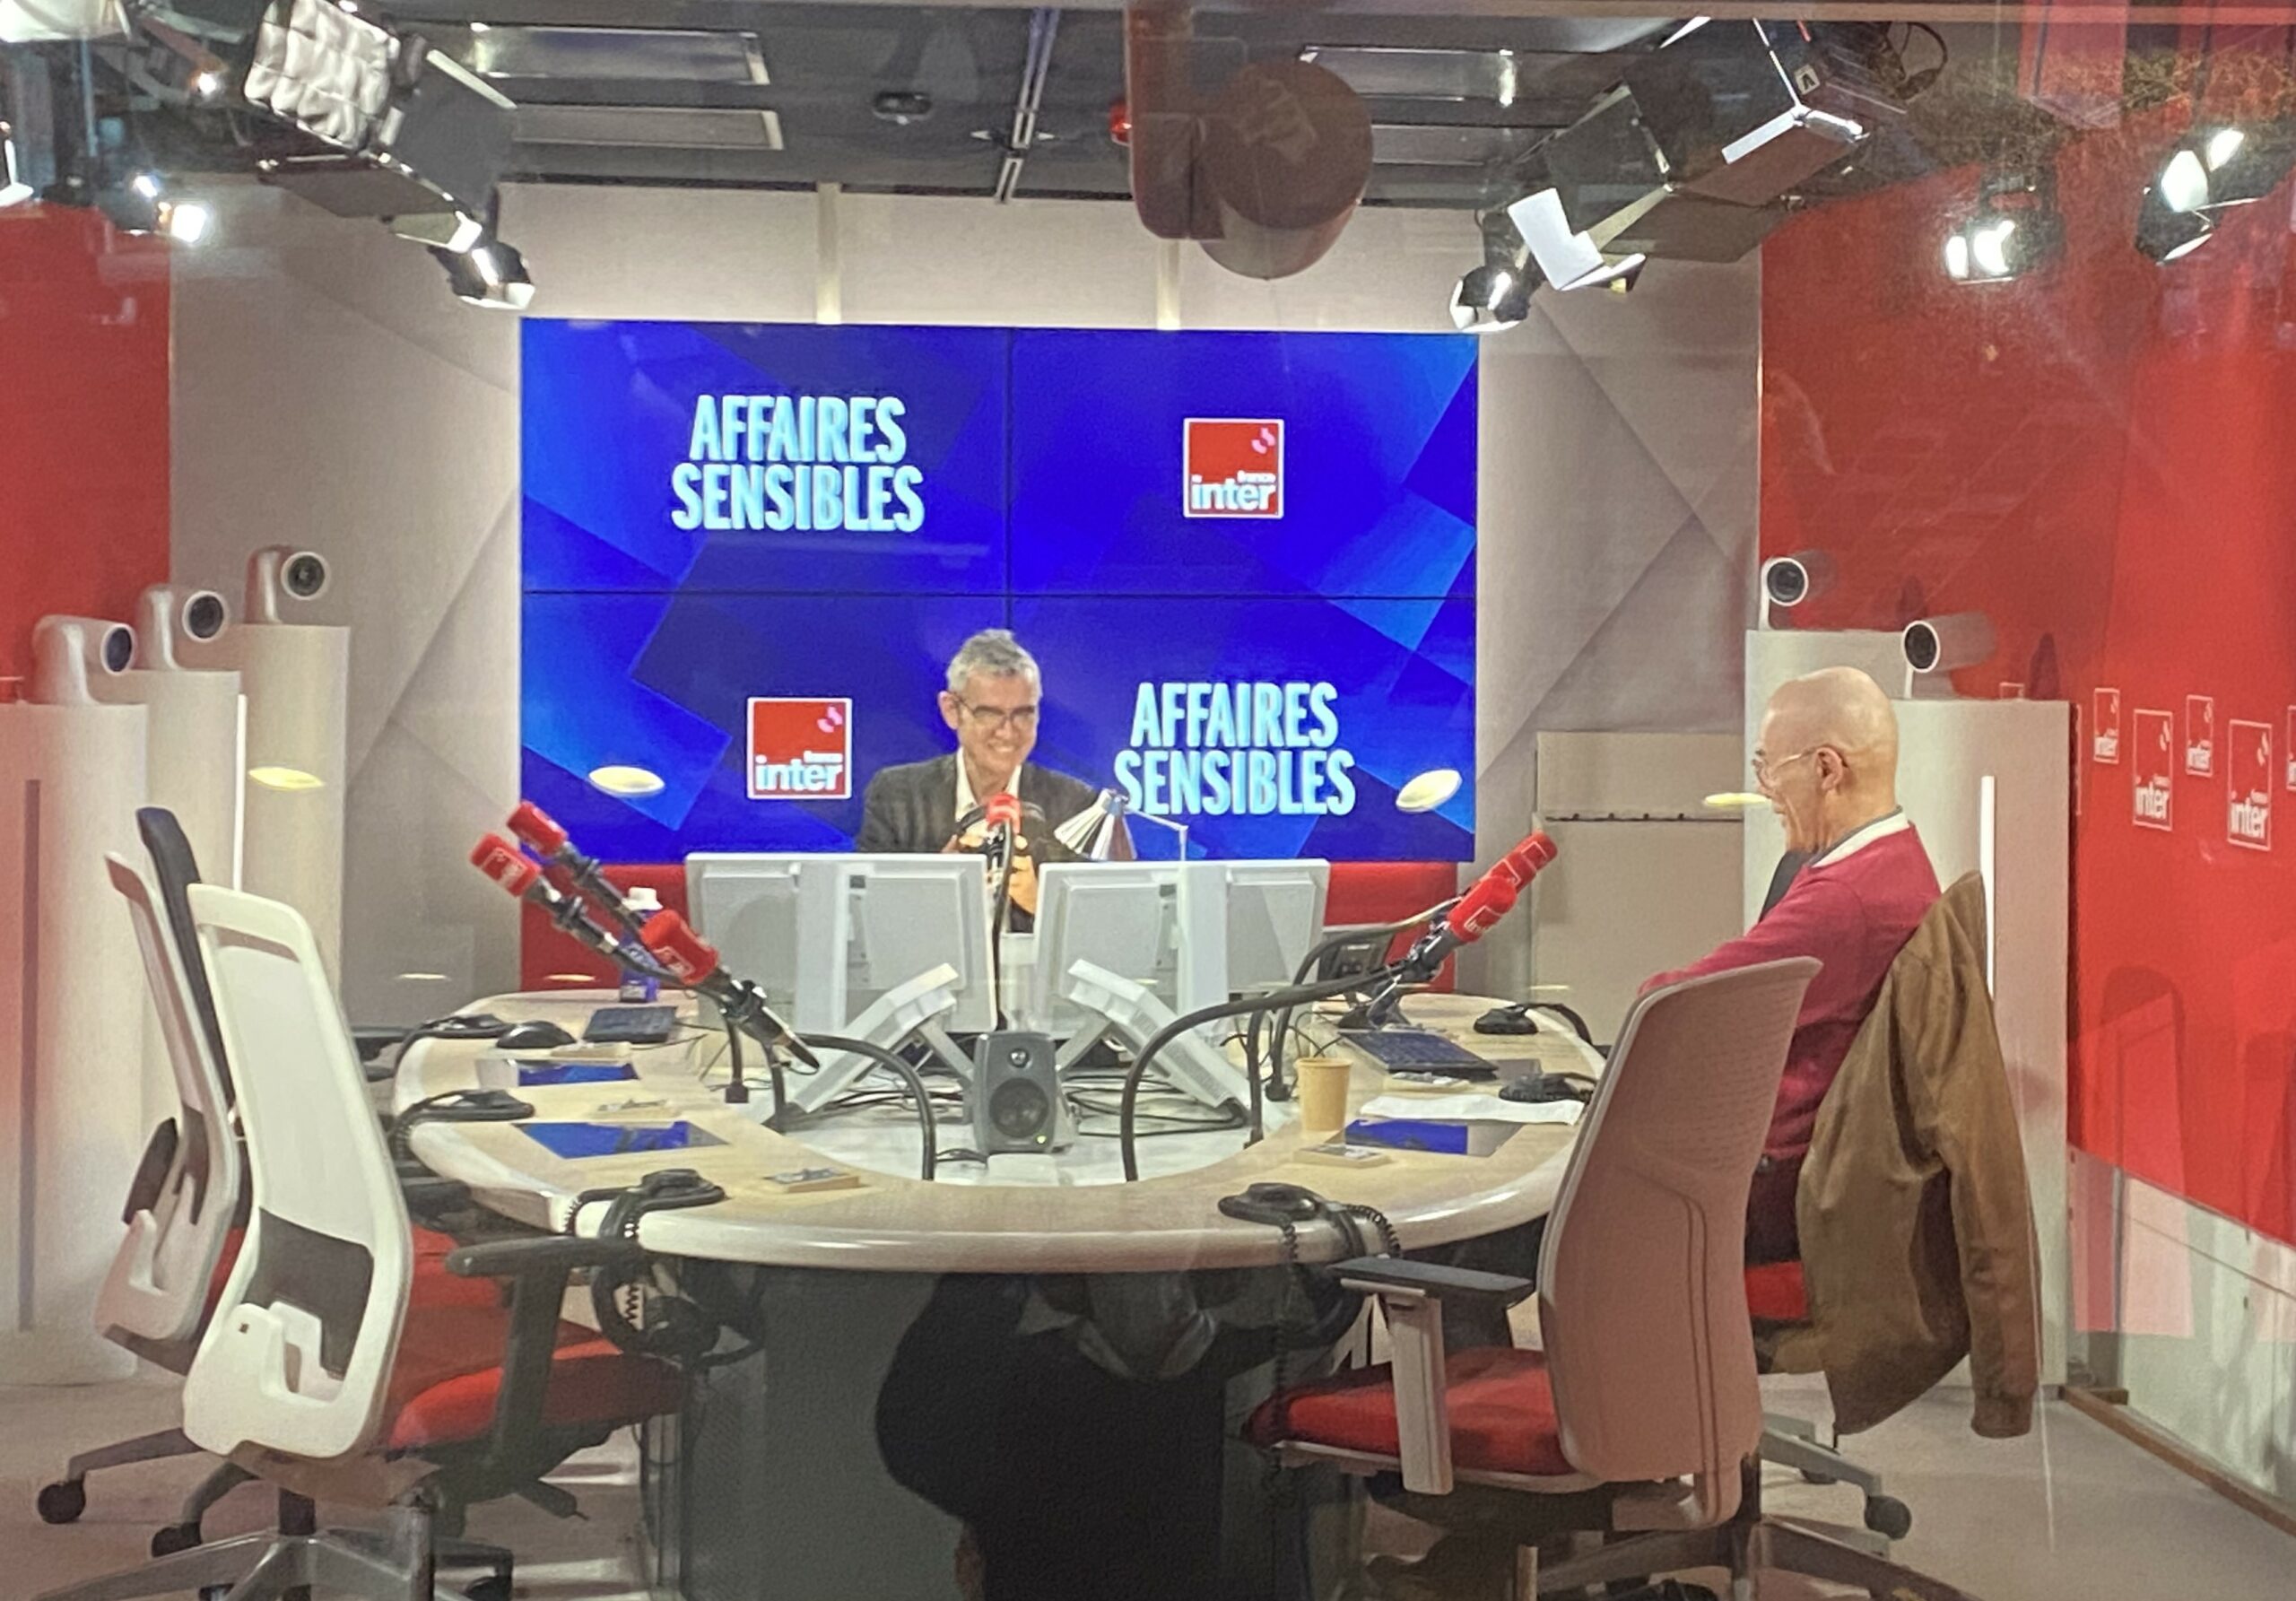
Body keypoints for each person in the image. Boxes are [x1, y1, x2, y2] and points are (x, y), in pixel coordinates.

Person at [1642, 665, 1942, 1263]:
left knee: (1515, 1226)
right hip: (1767, 1164)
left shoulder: (1846, 902)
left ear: (1827, 769)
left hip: (1760, 1187)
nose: (1765, 790)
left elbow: (1671, 1007)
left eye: (1769, 767)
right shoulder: (1892, 858)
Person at [855, 628, 1130, 862]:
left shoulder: (1076, 805)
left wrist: (1037, 897)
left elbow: (1102, 905)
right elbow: (868, 902)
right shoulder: (897, 796)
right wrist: (940, 882)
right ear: (951, 710)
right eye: (989, 714)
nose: (1008, 731)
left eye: (1023, 713)